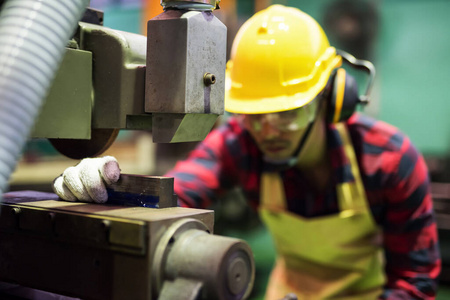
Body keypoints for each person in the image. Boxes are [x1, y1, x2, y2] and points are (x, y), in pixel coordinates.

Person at [53, 5, 441, 299]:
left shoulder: (390, 160)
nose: (267, 130)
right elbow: (176, 195)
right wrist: (109, 185)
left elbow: (416, 281)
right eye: (256, 114)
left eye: (287, 113)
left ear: (331, 99)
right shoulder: (241, 142)